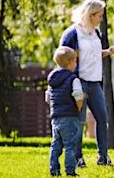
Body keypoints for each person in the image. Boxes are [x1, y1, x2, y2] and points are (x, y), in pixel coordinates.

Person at [60, 0, 114, 167]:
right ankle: (78, 158)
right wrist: (68, 82)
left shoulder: (96, 33)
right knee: (79, 121)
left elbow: (92, 53)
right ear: (91, 15)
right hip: (79, 82)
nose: (101, 19)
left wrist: (107, 52)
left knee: (102, 118)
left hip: (95, 82)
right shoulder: (72, 33)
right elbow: (62, 57)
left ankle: (103, 157)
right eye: (99, 16)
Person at [46, 46, 85, 176]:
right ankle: (70, 171)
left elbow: (48, 97)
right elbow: (78, 96)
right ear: (70, 63)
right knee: (70, 146)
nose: (76, 63)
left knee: (56, 144)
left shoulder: (52, 81)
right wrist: (79, 107)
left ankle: (54, 170)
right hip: (69, 116)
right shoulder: (73, 79)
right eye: (75, 61)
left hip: (56, 117)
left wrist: (55, 107)